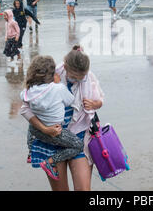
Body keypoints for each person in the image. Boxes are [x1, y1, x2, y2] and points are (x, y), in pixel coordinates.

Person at [21, 45, 104, 191]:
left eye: (81, 78)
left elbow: (100, 101)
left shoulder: (88, 76)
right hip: (52, 141)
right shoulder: (51, 74)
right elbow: (26, 108)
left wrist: (94, 104)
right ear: (65, 67)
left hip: (79, 137)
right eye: (74, 77)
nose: (78, 80)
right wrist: (45, 130)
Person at [20, 55, 84, 180]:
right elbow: (70, 100)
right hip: (55, 131)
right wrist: (58, 83)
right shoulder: (58, 88)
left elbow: (24, 109)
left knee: (32, 121)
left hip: (35, 130)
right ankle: (50, 161)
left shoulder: (27, 92)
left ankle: (30, 151)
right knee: (78, 146)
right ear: (52, 75)